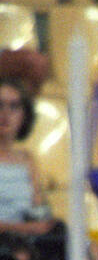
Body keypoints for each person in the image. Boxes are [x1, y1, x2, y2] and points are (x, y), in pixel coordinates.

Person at [0, 81, 56, 239]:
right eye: (0, 105)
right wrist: (26, 228)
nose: (5, 113)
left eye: (14, 106)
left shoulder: (27, 159)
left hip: (27, 238)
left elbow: (37, 208)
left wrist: (44, 223)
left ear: (24, 116)